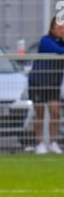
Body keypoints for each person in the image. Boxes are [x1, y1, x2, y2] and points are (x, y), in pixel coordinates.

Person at [28, 16, 64, 154]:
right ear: (52, 28)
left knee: (55, 112)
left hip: (53, 83)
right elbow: (59, 51)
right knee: (40, 114)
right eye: (60, 28)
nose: (62, 31)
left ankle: (53, 143)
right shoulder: (46, 41)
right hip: (38, 82)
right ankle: (40, 143)